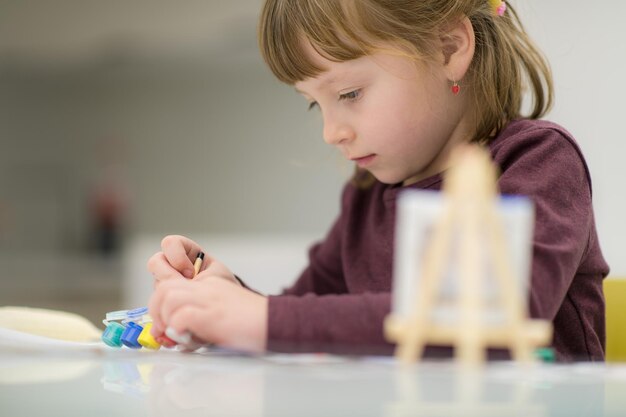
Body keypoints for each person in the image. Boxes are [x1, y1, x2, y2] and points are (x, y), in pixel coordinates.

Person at [147, 0, 609, 361]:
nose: (331, 132)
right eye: (314, 103)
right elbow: (309, 314)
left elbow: (492, 320)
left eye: (349, 93)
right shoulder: (367, 196)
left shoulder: (537, 161)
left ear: (448, 48)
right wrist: (229, 297)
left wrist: (260, 318)